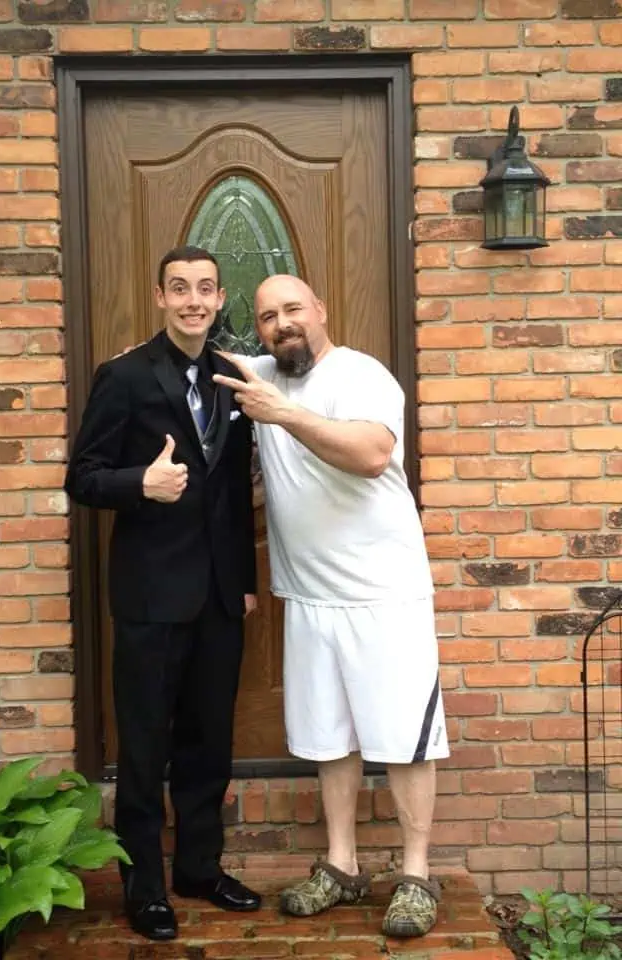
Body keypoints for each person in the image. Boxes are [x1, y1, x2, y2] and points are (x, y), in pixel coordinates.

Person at [212, 273, 449, 939]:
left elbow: (373, 455)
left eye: (293, 309)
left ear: (320, 308)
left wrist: (281, 415)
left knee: (404, 739)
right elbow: (178, 351)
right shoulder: (259, 372)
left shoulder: (361, 375)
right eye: (266, 317)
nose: (282, 324)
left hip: (385, 593)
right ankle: (342, 866)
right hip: (309, 596)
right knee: (330, 738)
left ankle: (414, 874)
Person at [64, 246, 261, 942]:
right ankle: (145, 887)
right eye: (179, 289)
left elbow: (234, 492)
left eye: (205, 289)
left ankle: (200, 870)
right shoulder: (122, 376)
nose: (193, 301)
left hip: (216, 598)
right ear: (159, 296)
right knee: (145, 748)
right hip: (150, 597)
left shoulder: (231, 378)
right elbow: (82, 477)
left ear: (218, 298)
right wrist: (138, 486)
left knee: (210, 742)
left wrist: (241, 581)